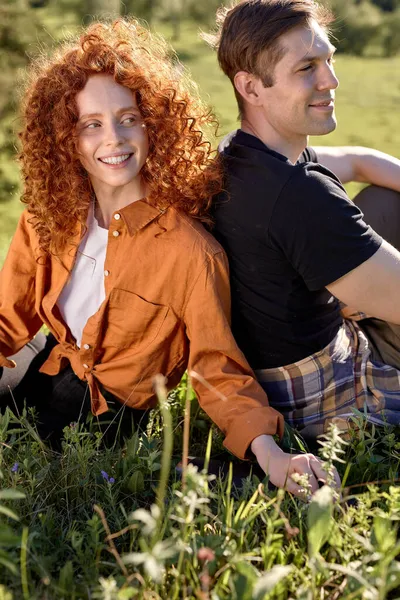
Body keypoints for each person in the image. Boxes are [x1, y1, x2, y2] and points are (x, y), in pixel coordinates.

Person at [0, 18, 334, 498]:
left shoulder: (190, 251)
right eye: (90, 124)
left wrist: (271, 451)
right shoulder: (44, 220)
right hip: (45, 375)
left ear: (153, 124)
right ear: (65, 138)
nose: (113, 139)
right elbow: (8, 320)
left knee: (146, 484)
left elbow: (217, 368)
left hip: (111, 421)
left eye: (128, 118)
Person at [207, 0, 400, 457]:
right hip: (329, 400)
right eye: (306, 68)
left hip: (275, 371)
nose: (330, 80)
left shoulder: (240, 154)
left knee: (386, 199)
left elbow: (359, 161)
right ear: (251, 87)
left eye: (329, 60)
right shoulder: (300, 196)